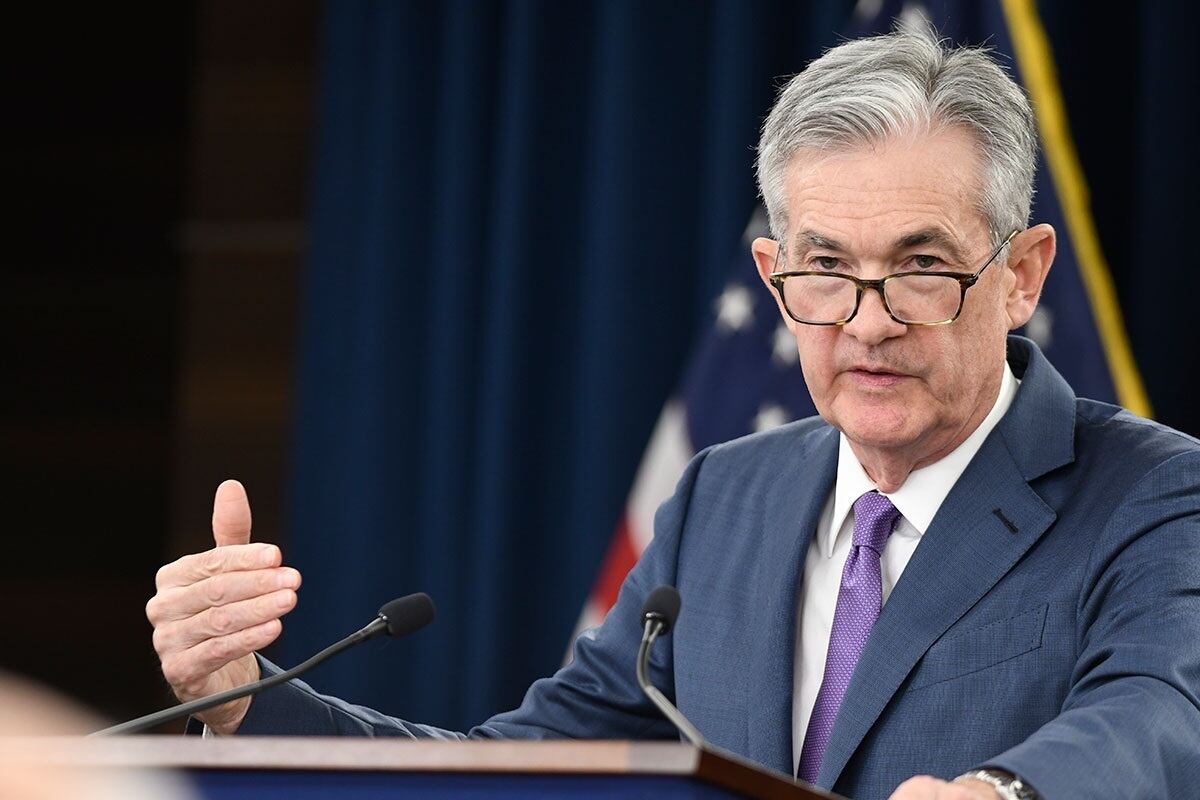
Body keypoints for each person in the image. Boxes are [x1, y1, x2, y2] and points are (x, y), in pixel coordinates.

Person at [144, 25, 1200, 800]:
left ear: (1022, 276)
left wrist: (1006, 791)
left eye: (922, 267)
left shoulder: (1154, 494)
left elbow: (1162, 713)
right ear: (772, 274)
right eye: (826, 268)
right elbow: (524, 775)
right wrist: (247, 700)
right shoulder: (723, 498)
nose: (867, 322)